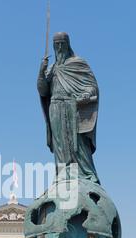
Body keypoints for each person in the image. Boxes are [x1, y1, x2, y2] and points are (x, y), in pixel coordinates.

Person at [37, 32, 100, 183]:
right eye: (56, 44)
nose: (59, 47)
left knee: (77, 142)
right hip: (55, 108)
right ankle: (63, 174)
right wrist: (41, 72)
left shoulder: (78, 63)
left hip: (73, 107)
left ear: (68, 44)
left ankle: (85, 174)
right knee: (60, 143)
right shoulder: (51, 69)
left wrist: (85, 95)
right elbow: (43, 91)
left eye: (62, 43)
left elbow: (92, 86)